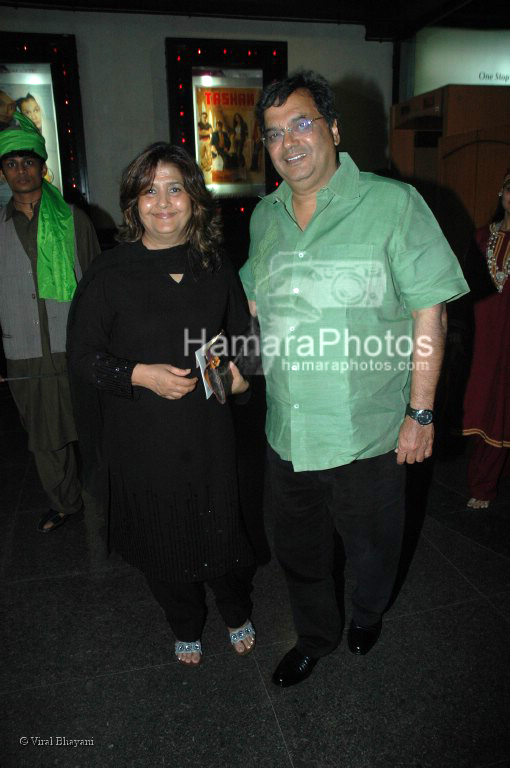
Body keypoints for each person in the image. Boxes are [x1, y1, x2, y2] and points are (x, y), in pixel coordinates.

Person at [240, 70, 469, 687]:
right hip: (288, 431)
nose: (287, 142)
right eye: (273, 133)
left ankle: (368, 613)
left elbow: (431, 309)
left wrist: (421, 414)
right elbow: (254, 309)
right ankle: (316, 636)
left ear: (334, 129)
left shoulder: (394, 205)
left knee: (373, 549)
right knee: (299, 552)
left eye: (302, 124)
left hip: (369, 434)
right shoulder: (265, 218)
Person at [67, 143, 256, 666]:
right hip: (142, 435)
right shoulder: (110, 273)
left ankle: (236, 609)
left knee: (222, 531)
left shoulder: (215, 266)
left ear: (195, 199)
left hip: (208, 433)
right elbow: (83, 358)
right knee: (163, 538)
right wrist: (139, 375)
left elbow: (244, 341)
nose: (164, 202)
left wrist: (238, 380)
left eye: (175, 188)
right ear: (133, 204)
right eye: (149, 190)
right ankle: (183, 622)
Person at [0, 111, 100, 533]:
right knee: (44, 437)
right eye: (11, 163)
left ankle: (105, 496)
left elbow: (97, 283)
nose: (21, 171)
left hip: (73, 344)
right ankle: (65, 501)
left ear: (44, 167)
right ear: (3, 171)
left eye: (28, 162)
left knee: (93, 426)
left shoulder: (73, 219)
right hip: (23, 347)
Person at [461, 170, 510, 508]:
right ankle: (477, 478)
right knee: (478, 404)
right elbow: (464, 289)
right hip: (480, 338)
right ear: (501, 192)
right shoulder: (481, 237)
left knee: (501, 408)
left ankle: (484, 486)